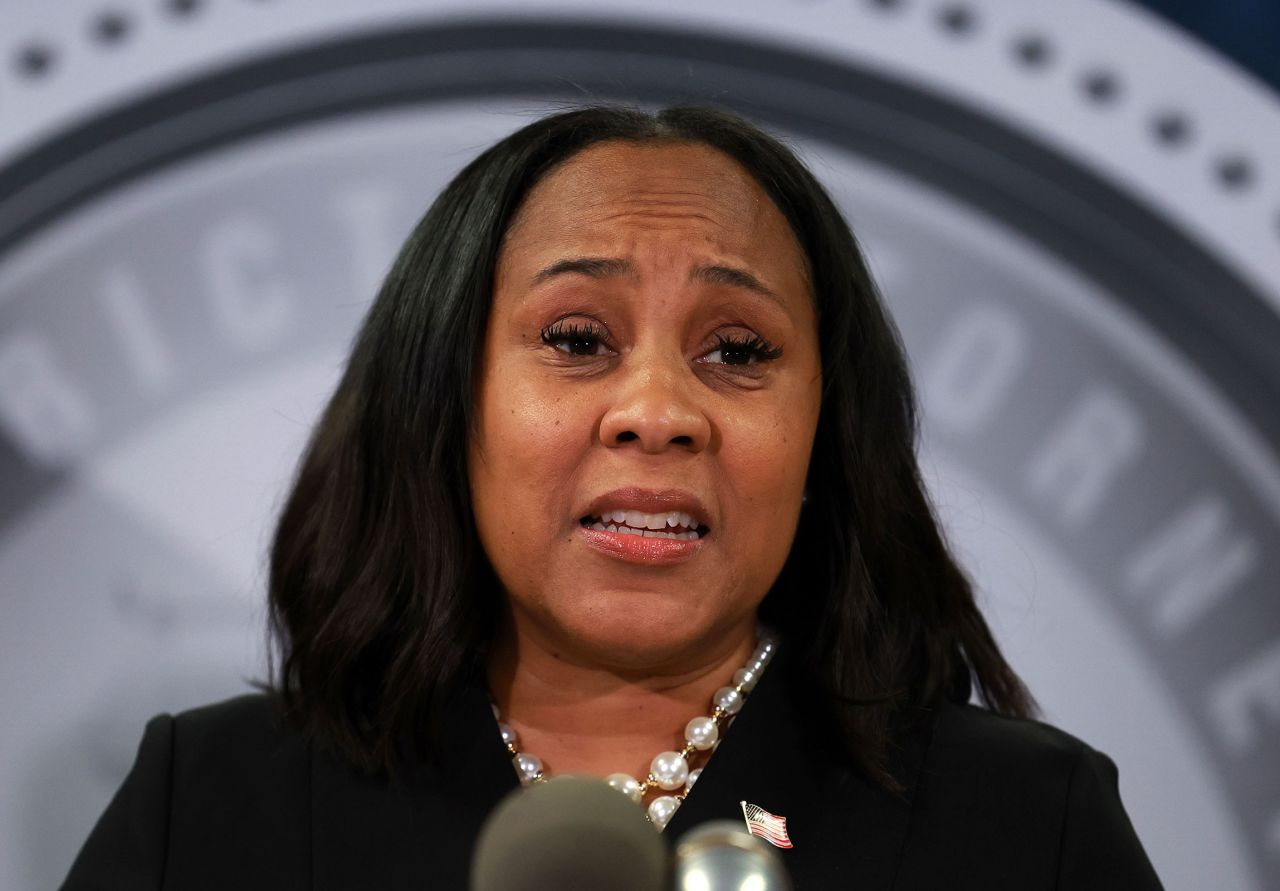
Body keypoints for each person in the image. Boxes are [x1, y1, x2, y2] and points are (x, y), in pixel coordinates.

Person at [61, 104, 1163, 889]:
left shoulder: (1025, 825)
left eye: (737, 351)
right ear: (445, 401)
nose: (656, 409)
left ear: (826, 433)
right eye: (577, 339)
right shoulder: (211, 801)